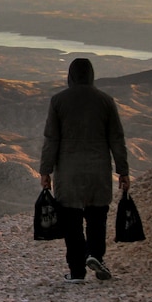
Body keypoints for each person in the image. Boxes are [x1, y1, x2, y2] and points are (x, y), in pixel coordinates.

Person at [39, 58, 130, 283]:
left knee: (71, 222)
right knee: (97, 217)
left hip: (69, 172)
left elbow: (52, 138)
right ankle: (95, 255)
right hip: (98, 170)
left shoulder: (59, 101)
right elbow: (116, 139)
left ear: (70, 76)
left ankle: (77, 271)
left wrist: (45, 170)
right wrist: (123, 171)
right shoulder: (105, 101)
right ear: (91, 75)